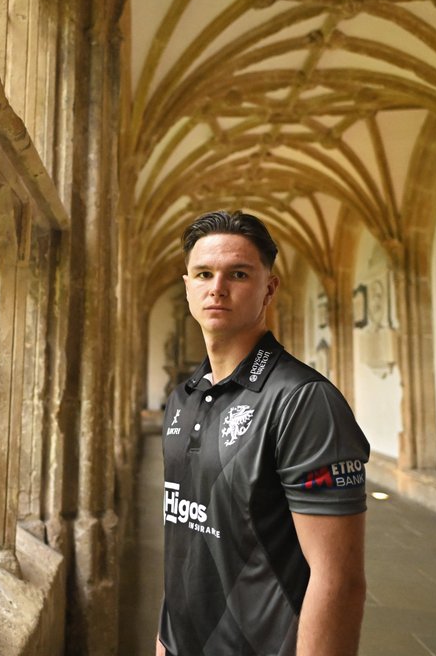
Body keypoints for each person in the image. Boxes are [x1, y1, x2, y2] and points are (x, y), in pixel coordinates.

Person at [157, 210, 370, 656]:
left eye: (238, 273)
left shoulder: (302, 400)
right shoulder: (183, 398)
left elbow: (340, 580)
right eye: (203, 274)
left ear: (269, 288)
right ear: (188, 287)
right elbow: (184, 541)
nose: (217, 287)